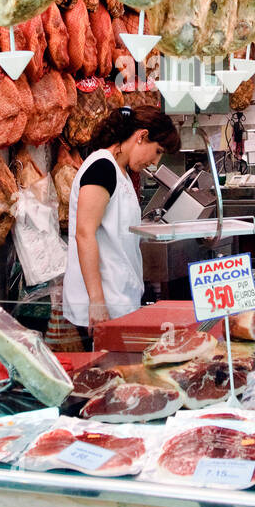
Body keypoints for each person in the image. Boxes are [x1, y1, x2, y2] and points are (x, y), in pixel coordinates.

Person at [63, 105, 181, 345]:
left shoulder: (120, 171)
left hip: (118, 298)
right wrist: (96, 302)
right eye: (157, 151)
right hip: (102, 305)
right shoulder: (102, 168)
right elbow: (84, 233)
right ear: (141, 136)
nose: (155, 161)